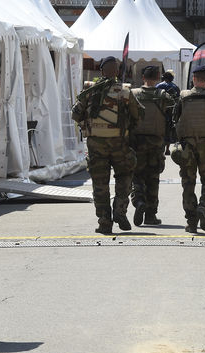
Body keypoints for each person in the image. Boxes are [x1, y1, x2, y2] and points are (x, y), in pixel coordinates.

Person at [72, 56, 143, 234]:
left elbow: (75, 114)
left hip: (96, 145)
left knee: (100, 184)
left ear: (102, 71)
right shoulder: (126, 91)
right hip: (120, 143)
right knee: (125, 178)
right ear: (117, 71)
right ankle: (120, 210)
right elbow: (138, 115)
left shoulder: (89, 90)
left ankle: (104, 221)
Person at [172, 65, 205, 233]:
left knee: (188, 183)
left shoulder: (184, 96)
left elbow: (175, 118)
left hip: (187, 145)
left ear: (193, 79)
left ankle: (191, 221)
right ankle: (203, 207)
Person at [130, 66, 175, 226]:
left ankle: (138, 200)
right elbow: (173, 109)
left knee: (137, 176)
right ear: (158, 78)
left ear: (143, 77)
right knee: (153, 179)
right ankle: (150, 215)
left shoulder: (133, 94)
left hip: (136, 142)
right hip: (156, 142)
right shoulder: (163, 96)